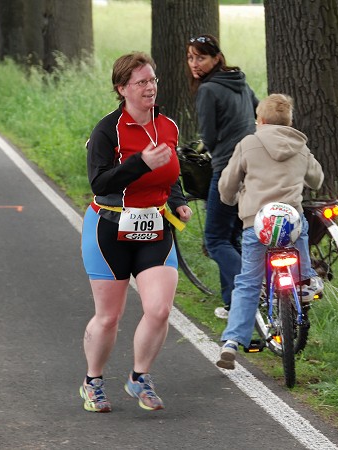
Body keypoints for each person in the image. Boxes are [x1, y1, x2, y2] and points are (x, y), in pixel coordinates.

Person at [80, 51, 192, 412]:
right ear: (122, 88)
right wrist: (139, 163)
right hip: (109, 228)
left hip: (155, 226)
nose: (150, 87)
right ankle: (93, 382)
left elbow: (171, 173)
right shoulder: (107, 130)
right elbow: (99, 182)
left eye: (153, 80)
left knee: (159, 309)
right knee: (109, 316)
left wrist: (178, 200)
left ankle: (139, 376)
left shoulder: (168, 125)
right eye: (141, 82)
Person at [215, 93, 324, 370]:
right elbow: (316, 180)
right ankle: (305, 281)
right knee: (301, 228)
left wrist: (229, 199)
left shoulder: (248, 143)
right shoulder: (300, 145)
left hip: (258, 223)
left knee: (248, 283)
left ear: (260, 120)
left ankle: (231, 341)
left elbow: (228, 184)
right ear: (289, 122)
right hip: (290, 222)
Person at [186, 34, 259, 319]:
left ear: (216, 58)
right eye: (190, 57)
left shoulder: (208, 90)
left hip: (228, 169)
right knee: (233, 235)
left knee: (215, 239)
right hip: (252, 167)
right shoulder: (240, 81)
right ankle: (233, 304)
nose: (194, 63)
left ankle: (253, 286)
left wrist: (210, 148)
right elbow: (258, 112)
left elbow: (209, 136)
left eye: (201, 57)